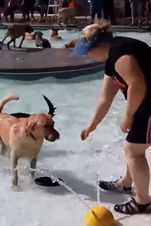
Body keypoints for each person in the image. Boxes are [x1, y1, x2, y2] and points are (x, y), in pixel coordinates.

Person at [72, 24, 151, 214]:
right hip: (143, 103)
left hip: (147, 103)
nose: (87, 55)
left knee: (133, 151)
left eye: (88, 51)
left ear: (99, 46)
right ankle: (125, 184)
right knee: (133, 148)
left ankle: (142, 202)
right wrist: (92, 125)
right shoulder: (111, 58)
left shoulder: (121, 54)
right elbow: (105, 98)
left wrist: (129, 114)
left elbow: (138, 85)